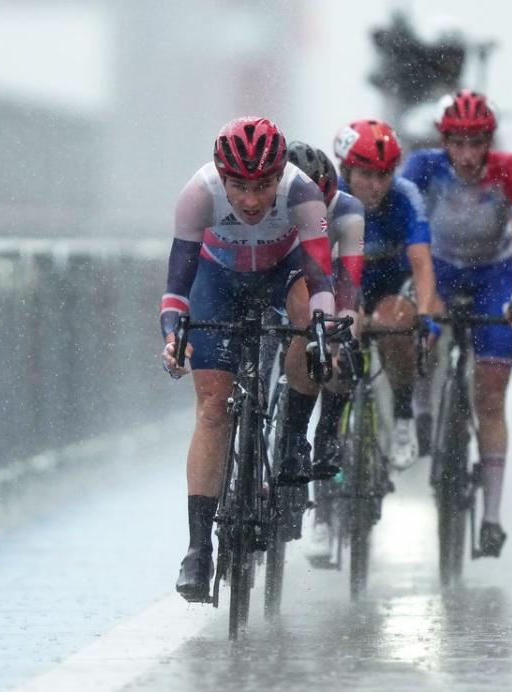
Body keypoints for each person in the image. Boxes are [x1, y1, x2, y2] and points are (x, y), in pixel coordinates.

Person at [160, 117, 336, 602]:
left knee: (309, 318)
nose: (253, 201)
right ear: (221, 175)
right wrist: (173, 334)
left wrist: (321, 330)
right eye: (239, 186)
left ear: (281, 176)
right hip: (217, 281)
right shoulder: (198, 195)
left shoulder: (305, 196)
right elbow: (177, 287)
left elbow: (321, 279)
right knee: (214, 407)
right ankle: (198, 550)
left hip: (283, 275)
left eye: (263, 186)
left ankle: (294, 437)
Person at [402, 90, 512, 557]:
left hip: (493, 275)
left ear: (489, 142)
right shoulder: (423, 167)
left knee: (492, 393)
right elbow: (407, 229)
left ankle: (493, 518)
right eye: (456, 144)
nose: (465, 155)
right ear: (443, 142)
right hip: (437, 266)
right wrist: (425, 298)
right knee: (421, 333)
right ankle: (422, 412)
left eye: (476, 143)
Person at [320, 118, 439, 472]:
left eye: (384, 175)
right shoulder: (330, 198)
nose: (376, 185)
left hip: (389, 287)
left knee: (396, 322)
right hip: (345, 285)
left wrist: (427, 316)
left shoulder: (405, 197)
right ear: (346, 169)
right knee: (340, 340)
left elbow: (421, 263)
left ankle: (404, 417)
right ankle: (328, 432)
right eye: (366, 175)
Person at [285, 141, 366, 556]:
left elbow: (348, 282)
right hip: (282, 285)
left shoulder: (348, 209)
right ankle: (284, 439)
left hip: (327, 286)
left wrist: (341, 330)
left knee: (341, 340)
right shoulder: (270, 201)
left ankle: (328, 431)